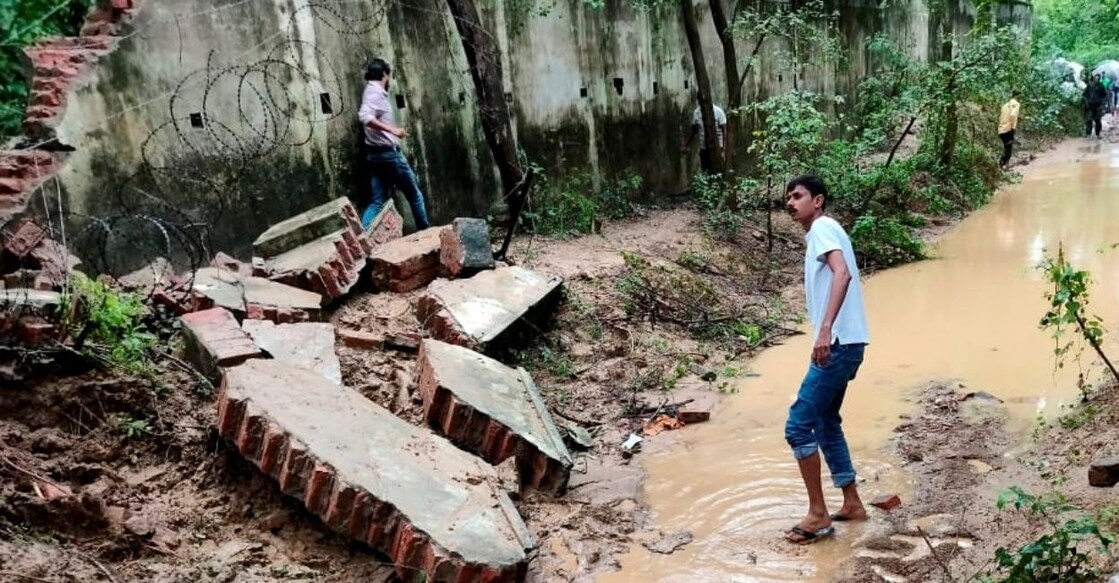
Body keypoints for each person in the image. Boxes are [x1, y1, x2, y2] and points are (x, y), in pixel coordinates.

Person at [782, 175, 869, 545]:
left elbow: (843, 274)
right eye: (787, 196)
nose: (791, 202)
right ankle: (851, 503)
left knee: (798, 426)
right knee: (825, 422)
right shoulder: (823, 231)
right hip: (848, 344)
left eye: (798, 196)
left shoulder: (822, 228)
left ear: (817, 201)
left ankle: (818, 514)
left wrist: (823, 331)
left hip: (837, 344)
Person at [358, 58, 431, 231]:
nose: (389, 79)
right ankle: (427, 233)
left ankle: (363, 238)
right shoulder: (375, 93)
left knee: (377, 202)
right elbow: (365, 117)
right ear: (384, 74)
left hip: (373, 156)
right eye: (389, 75)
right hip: (389, 156)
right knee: (415, 195)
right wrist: (393, 130)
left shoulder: (370, 90)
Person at [684, 99, 729, 173]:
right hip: (704, 148)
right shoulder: (697, 112)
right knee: (705, 171)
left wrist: (723, 151)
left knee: (717, 172)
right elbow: (693, 131)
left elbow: (725, 132)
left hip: (717, 148)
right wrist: (685, 144)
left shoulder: (718, 112)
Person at [997, 91, 1020, 169]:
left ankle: (1003, 166)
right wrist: (1013, 128)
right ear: (1017, 96)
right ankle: (1001, 165)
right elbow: (1013, 115)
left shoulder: (1005, 105)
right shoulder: (1016, 104)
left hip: (1001, 129)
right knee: (1008, 150)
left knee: (1006, 147)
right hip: (1008, 128)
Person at [1083, 73, 1107, 139]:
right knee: (1089, 120)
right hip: (1090, 105)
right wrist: (1087, 102)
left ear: (1099, 79)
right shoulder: (1090, 85)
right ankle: (1088, 134)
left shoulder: (1101, 86)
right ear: (1094, 78)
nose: (1097, 79)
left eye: (1098, 78)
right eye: (1096, 77)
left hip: (1098, 106)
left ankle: (1098, 134)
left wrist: (1102, 103)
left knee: (1098, 121)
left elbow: (1104, 95)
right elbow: (1084, 94)